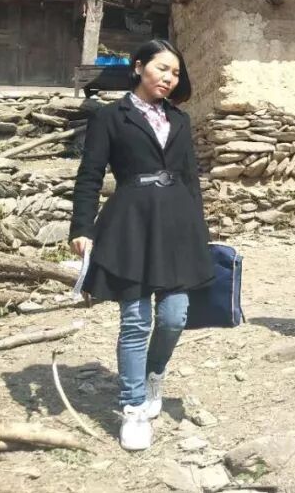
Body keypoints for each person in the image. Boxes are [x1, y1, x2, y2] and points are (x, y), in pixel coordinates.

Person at [69, 39, 214, 451]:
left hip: (177, 225)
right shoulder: (111, 116)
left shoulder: (180, 119)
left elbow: (190, 178)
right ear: (138, 67)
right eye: (161, 68)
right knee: (135, 320)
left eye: (175, 72)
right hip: (131, 226)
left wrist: (199, 230)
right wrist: (82, 227)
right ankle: (133, 408)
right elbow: (90, 174)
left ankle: (153, 374)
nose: (169, 78)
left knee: (174, 316)